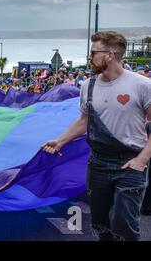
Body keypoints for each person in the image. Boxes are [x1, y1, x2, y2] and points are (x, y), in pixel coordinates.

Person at [42, 31, 151, 241]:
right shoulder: (88, 86)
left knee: (124, 223)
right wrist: (61, 140)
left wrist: (141, 160)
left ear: (109, 55)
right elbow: (85, 120)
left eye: (93, 52)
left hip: (130, 164)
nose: (89, 58)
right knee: (100, 225)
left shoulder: (142, 85)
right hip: (98, 163)